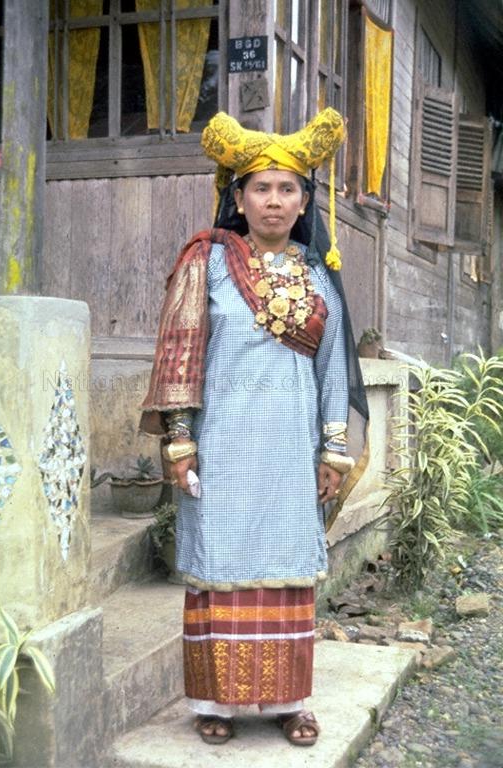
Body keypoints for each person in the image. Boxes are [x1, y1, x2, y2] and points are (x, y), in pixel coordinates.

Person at [139, 108, 368, 747]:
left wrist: (333, 448)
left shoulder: (319, 274)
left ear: (303, 202)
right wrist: (179, 440)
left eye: (287, 188)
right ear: (237, 197)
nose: (273, 200)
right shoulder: (208, 262)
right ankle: (215, 702)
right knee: (223, 564)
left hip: (290, 449)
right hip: (223, 445)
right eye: (260, 188)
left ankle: (290, 702)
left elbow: (331, 370)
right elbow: (182, 352)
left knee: (288, 569)